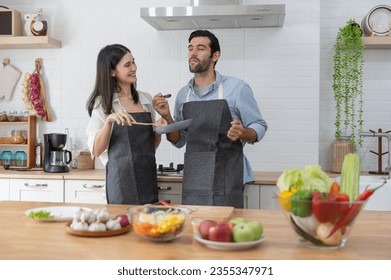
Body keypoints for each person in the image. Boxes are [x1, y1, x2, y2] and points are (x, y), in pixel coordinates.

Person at [153, 30, 268, 208]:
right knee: (196, 230)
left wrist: (243, 132)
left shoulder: (237, 88)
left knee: (224, 231)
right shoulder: (184, 95)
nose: (193, 53)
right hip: (195, 175)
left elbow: (259, 126)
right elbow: (179, 140)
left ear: (215, 55)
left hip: (228, 174)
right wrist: (166, 116)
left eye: (200, 48)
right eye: (190, 48)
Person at [86, 44, 165, 205]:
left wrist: (158, 129)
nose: (134, 68)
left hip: (147, 175)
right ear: (111, 71)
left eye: (134, 62)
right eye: (127, 65)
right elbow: (95, 150)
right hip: (120, 179)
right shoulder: (103, 104)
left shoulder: (146, 100)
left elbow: (151, 145)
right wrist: (109, 122)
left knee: (147, 225)